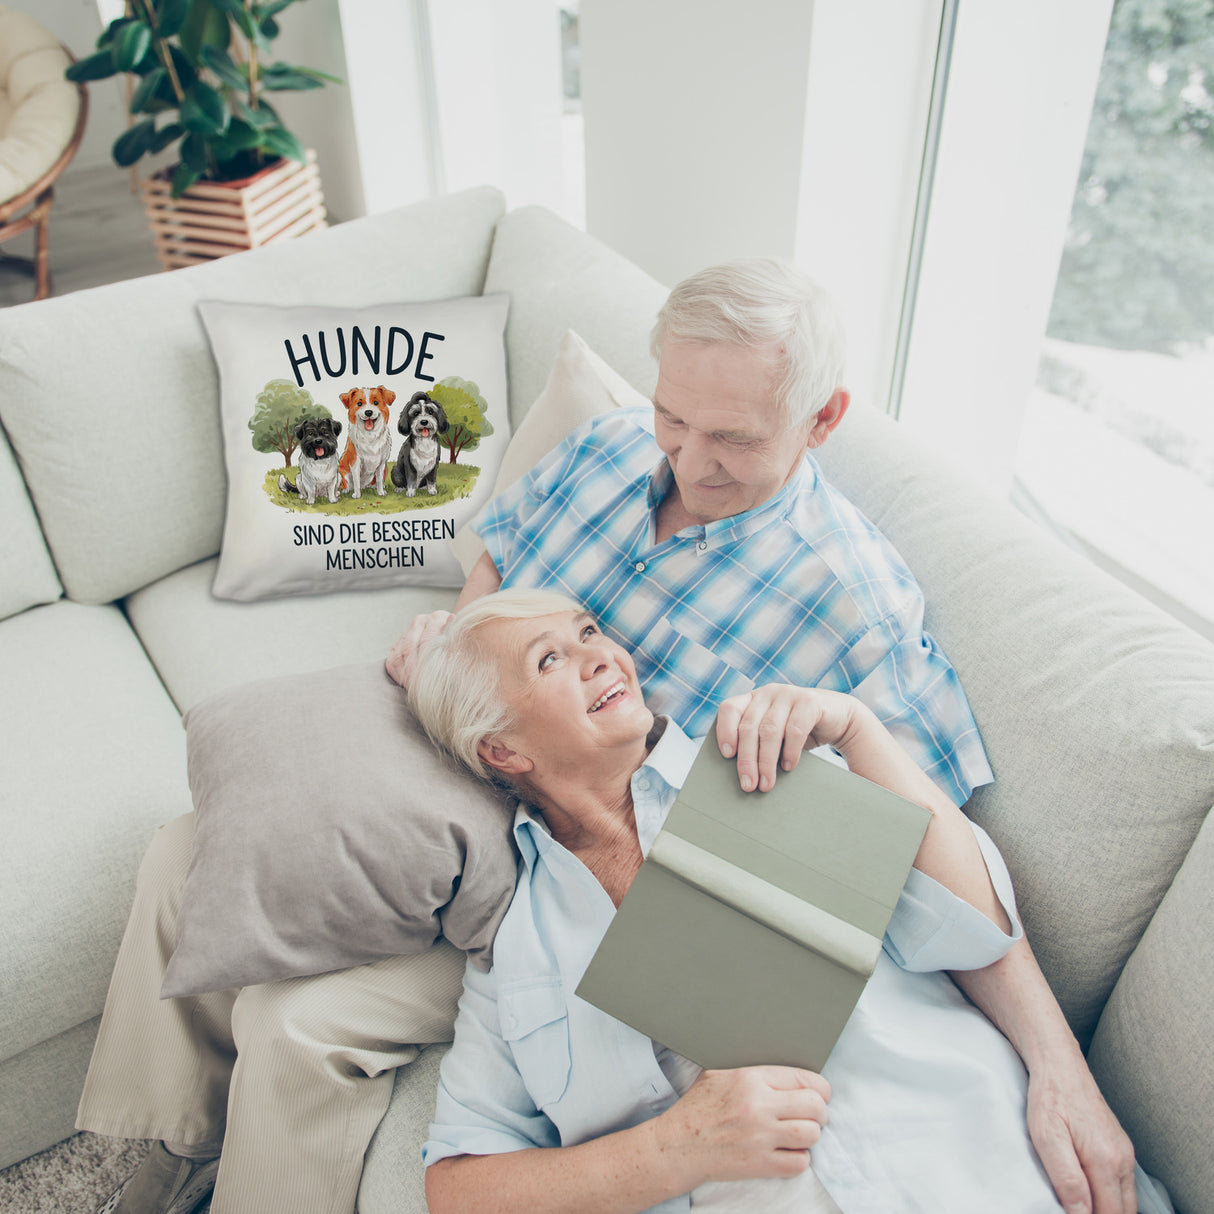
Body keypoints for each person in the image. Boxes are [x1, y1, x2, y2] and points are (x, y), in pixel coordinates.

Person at [79, 260, 1131, 1214]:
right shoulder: (608, 447)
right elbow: (499, 562)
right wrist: (457, 643)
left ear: (820, 420)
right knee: (192, 847)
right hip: (487, 747)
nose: (687, 457)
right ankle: (158, 1150)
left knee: (300, 1023)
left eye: (732, 438)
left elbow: (927, 856)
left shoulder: (853, 607)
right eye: (674, 415)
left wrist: (1057, 1063)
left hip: (577, 853)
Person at [407, 589, 1159, 1214]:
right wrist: (675, 1149)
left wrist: (858, 730)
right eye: (550, 659)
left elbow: (973, 929)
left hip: (986, 1167)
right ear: (502, 750)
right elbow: (458, 1188)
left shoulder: (762, 761)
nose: (600, 655)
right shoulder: (517, 952)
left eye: (589, 632)